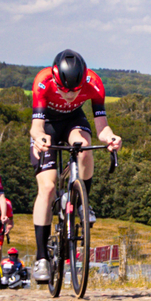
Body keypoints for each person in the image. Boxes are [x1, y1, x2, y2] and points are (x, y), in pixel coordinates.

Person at [30, 50, 120, 278]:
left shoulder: (95, 83)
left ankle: (82, 202)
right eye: (64, 90)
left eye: (76, 90)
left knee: (84, 147)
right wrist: (40, 139)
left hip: (73, 121)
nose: (70, 96)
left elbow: (102, 127)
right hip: (47, 124)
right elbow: (36, 127)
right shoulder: (43, 82)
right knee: (48, 188)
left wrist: (111, 138)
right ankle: (41, 258)